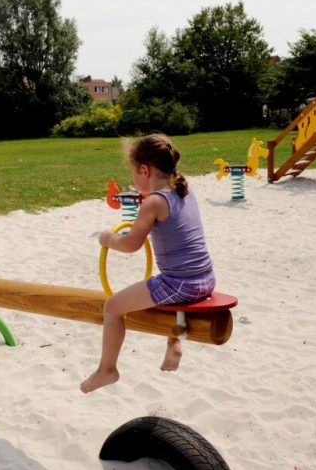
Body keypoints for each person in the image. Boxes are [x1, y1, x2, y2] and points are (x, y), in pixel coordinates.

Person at [80, 134, 215, 393]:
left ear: (145, 170)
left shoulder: (153, 201)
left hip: (181, 283)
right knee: (163, 288)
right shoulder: (185, 191)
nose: (134, 180)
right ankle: (174, 342)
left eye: (133, 173)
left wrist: (109, 239)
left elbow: (131, 244)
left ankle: (107, 370)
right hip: (206, 279)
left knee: (112, 308)